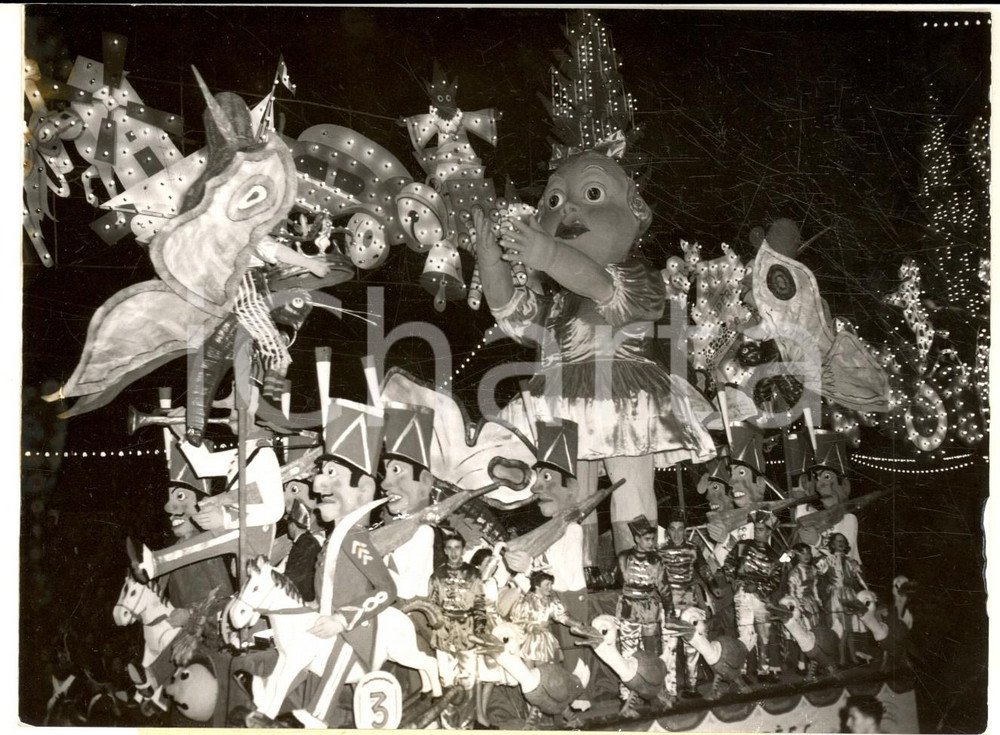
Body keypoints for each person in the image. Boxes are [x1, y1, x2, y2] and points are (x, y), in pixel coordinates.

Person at [473, 150, 715, 558]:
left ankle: (638, 567)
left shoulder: (636, 277)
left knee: (629, 485)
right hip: (559, 398)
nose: (567, 208)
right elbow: (513, 313)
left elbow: (600, 285)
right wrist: (490, 262)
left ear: (635, 210)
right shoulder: (557, 302)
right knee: (568, 490)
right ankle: (576, 568)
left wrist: (547, 254)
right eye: (553, 201)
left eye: (593, 193)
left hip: (621, 394)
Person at [428, 529, 488, 729]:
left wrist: (479, 631)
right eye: (450, 548)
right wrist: (437, 626)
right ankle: (448, 726)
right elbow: (432, 606)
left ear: (463, 550)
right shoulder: (436, 576)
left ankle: (465, 726)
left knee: (469, 680)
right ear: (445, 550)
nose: (454, 552)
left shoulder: (473, 574)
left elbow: (479, 603)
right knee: (447, 680)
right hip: (444, 632)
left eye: (457, 548)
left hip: (467, 631)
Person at [379, 404, 437, 600]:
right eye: (386, 473)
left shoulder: (423, 532)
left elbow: (407, 590)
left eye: (396, 470)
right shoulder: (392, 528)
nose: (384, 484)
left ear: (425, 483)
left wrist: (371, 566)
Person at [616, 515, 673, 715]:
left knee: (652, 651)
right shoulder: (623, 557)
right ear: (637, 539)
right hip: (629, 609)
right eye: (647, 539)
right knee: (628, 653)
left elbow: (664, 587)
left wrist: (670, 611)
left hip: (650, 610)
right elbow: (618, 580)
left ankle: (655, 692)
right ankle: (626, 695)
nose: (651, 543)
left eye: (653, 539)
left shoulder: (657, 560)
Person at [721, 510, 785, 682]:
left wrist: (758, 587)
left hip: (761, 597)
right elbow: (728, 564)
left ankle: (763, 672)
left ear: (769, 532)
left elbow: (776, 580)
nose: (757, 533)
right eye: (756, 529)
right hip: (743, 595)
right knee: (745, 633)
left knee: (764, 635)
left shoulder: (774, 556)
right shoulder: (743, 545)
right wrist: (734, 581)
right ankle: (742, 673)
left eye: (761, 530)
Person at [659, 509, 708, 698]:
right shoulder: (660, 551)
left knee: (692, 646)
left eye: (680, 529)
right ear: (667, 532)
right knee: (669, 647)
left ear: (685, 530)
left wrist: (714, 586)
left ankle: (692, 687)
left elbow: (704, 569)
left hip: (690, 604)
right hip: (668, 605)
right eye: (673, 529)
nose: (677, 533)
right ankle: (670, 691)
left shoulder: (694, 549)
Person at [509, 571, 587, 666]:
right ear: (537, 586)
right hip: (528, 640)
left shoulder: (552, 602)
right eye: (547, 584)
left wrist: (577, 624)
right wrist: (534, 626)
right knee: (527, 667)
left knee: (545, 668)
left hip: (544, 641)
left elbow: (561, 616)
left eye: (551, 584)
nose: (550, 588)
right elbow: (516, 622)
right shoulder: (525, 601)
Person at [816, 532, 866, 666]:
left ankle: (853, 658)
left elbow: (858, 580)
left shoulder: (850, 561)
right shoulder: (827, 560)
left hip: (849, 595)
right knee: (842, 629)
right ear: (832, 544)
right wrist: (826, 590)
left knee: (849, 629)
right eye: (838, 541)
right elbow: (819, 578)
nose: (841, 543)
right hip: (836, 597)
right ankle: (842, 660)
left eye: (843, 541)